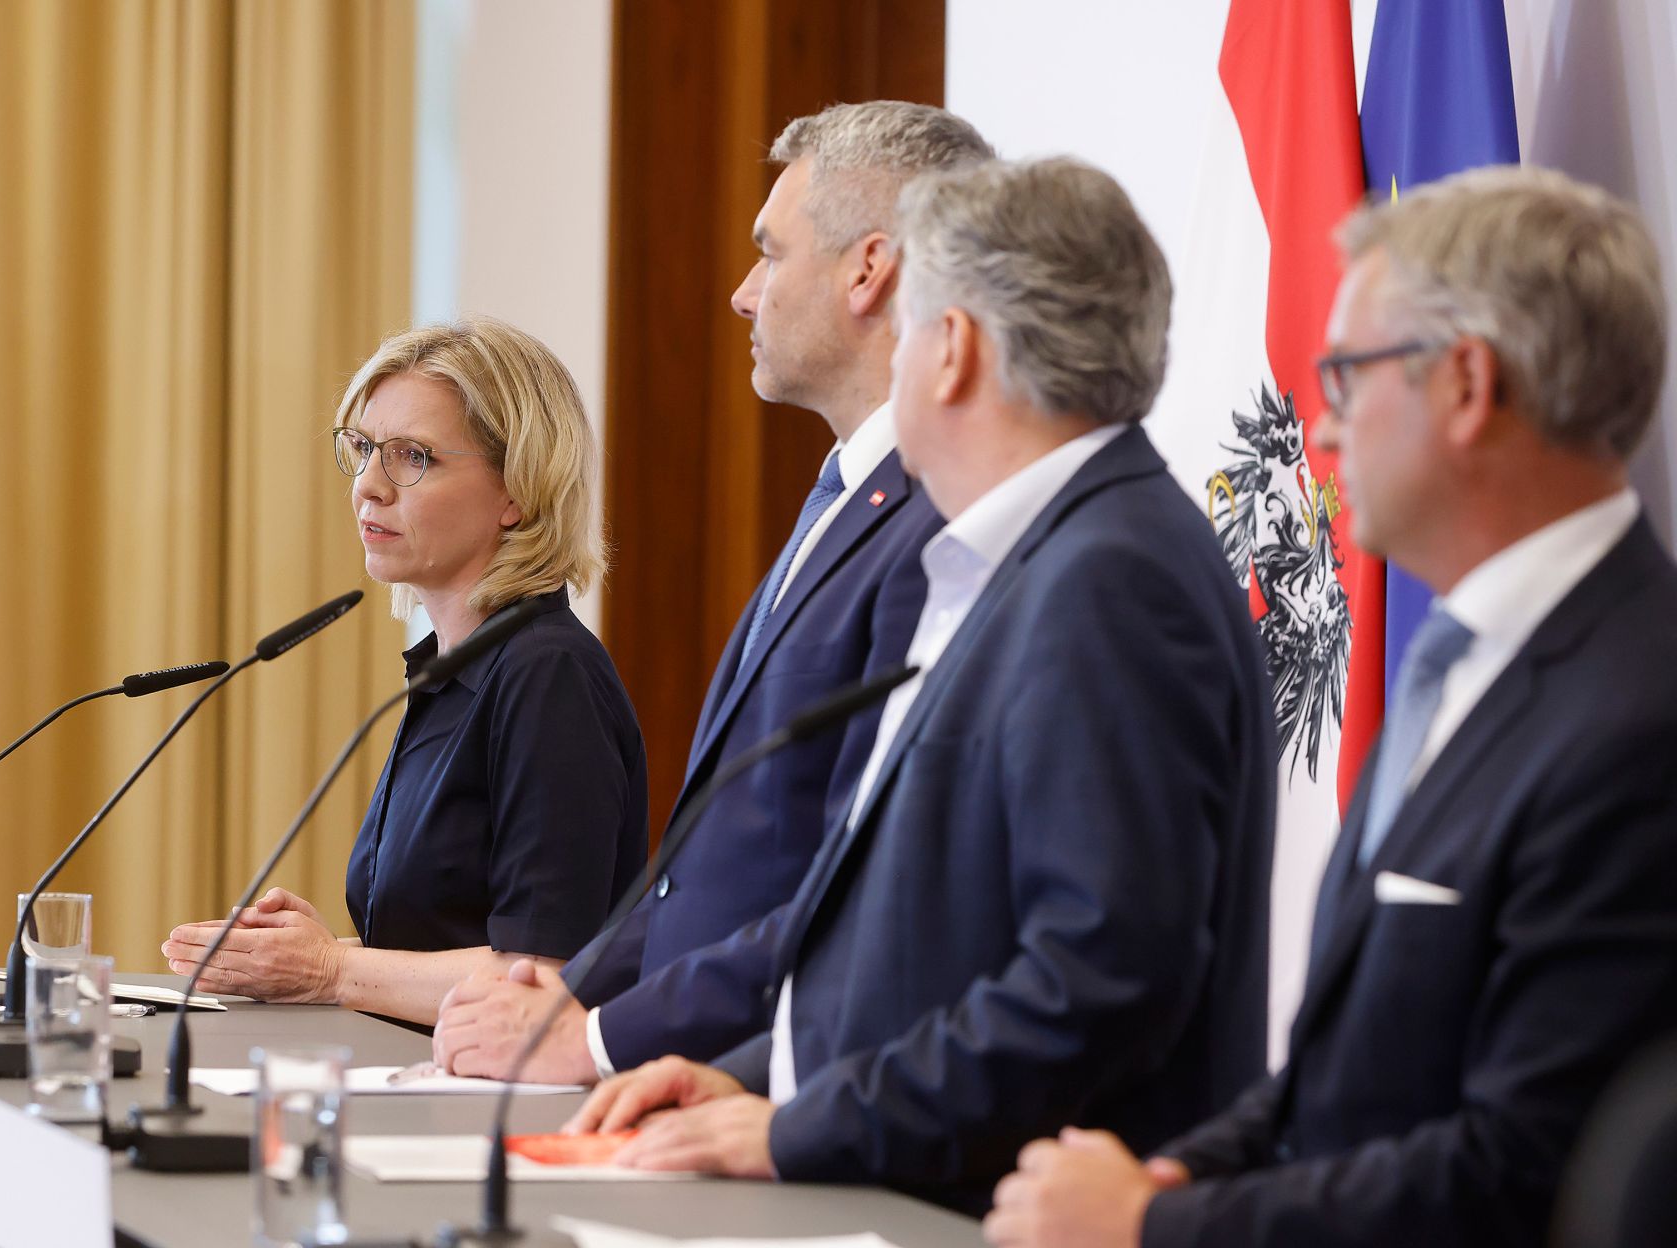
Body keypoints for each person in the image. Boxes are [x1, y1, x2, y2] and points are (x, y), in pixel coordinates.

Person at [559, 156, 1276, 1214]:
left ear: (953, 352)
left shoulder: (1107, 580)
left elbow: (1094, 983)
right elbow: (925, 935)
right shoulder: (1038, 555)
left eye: (906, 333)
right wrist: (759, 1080)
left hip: (996, 1212)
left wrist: (804, 1124)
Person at [983, 165, 1677, 1248]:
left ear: (1465, 384)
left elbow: (1526, 1164)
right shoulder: (1460, 659)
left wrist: (1155, 1230)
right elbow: (1342, 1072)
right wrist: (1175, 1176)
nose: (1318, 430)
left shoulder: (1636, 717)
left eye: (1346, 376)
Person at [432, 102, 992, 1082]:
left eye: (769, 255)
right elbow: (703, 864)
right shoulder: (845, 495)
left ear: (869, 270)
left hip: (779, 1099)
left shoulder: (936, 526)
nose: (741, 294)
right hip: (687, 1079)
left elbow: (851, 885)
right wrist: (572, 991)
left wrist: (598, 1039)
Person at [161, 318, 649, 1026]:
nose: (368, 487)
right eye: (362, 450)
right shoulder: (455, 674)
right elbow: (454, 939)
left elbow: (540, 976)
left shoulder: (549, 676)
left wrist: (331, 969)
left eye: (412, 456)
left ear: (518, 490)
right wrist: (319, 954)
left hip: (502, 1118)